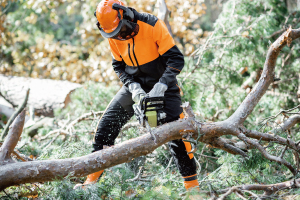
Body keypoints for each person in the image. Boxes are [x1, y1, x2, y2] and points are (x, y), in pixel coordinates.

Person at [75, 0, 199, 191]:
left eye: (119, 30)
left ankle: (193, 189)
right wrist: (133, 87)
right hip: (136, 86)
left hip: (162, 85)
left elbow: (176, 59)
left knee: (178, 136)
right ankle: (89, 185)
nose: (118, 36)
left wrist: (162, 85)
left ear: (125, 15)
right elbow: (118, 65)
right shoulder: (113, 31)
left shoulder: (152, 25)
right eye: (113, 34)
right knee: (106, 126)